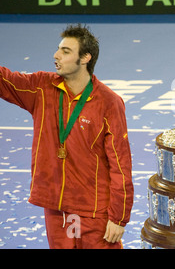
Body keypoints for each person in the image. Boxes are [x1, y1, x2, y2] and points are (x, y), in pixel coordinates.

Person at [0, 24, 134, 249]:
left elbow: (120, 165)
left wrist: (119, 218)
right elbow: (4, 79)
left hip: (94, 211)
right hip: (56, 208)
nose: (56, 55)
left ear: (85, 58)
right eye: (58, 49)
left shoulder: (109, 103)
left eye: (65, 51)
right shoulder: (41, 87)